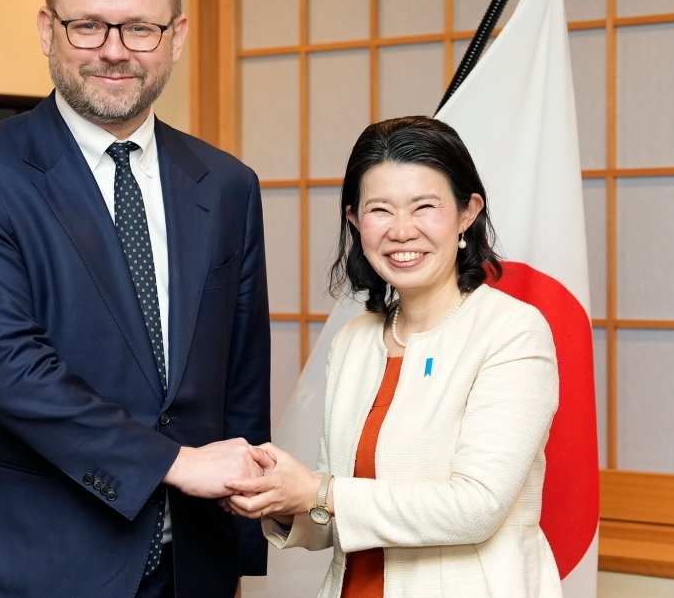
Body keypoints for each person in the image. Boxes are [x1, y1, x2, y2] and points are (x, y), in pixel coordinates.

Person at [0, 0, 271, 598]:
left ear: (176, 36)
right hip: (28, 563)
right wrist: (174, 463)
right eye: (88, 25)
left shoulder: (227, 184)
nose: (114, 50)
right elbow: (8, 369)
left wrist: (240, 538)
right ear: (47, 30)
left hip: (188, 565)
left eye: (140, 27)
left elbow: (241, 379)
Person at [224, 117, 562, 597]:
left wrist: (318, 490)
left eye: (425, 207)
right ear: (354, 220)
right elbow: (338, 513)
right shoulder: (354, 342)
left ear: (468, 213)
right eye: (379, 210)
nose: (402, 231)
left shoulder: (512, 331)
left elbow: (477, 507)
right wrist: (279, 498)